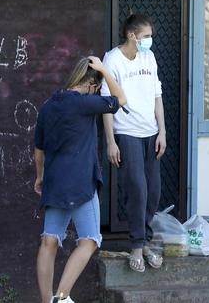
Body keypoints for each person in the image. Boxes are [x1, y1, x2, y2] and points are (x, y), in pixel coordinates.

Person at [34, 56, 127, 303]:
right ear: (91, 85)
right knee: (89, 240)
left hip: (54, 182)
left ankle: (46, 301)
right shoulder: (85, 103)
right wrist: (105, 71)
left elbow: (39, 150)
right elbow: (121, 100)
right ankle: (61, 297)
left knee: (49, 241)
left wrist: (40, 176)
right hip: (81, 183)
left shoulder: (48, 106)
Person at [101, 13, 166, 273]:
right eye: (146, 36)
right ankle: (137, 246)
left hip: (151, 133)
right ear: (132, 36)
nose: (149, 41)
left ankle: (146, 242)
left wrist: (162, 131)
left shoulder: (148, 57)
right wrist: (110, 142)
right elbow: (107, 103)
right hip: (126, 133)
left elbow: (157, 94)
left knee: (153, 191)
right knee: (136, 189)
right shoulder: (112, 59)